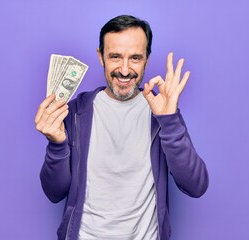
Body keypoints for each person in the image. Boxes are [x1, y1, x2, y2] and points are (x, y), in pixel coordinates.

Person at [35, 15, 209, 240]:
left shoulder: (162, 112)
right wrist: (57, 145)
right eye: (115, 57)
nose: (125, 70)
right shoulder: (76, 112)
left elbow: (195, 186)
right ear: (101, 57)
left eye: (135, 58)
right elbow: (54, 192)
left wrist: (170, 121)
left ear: (146, 59)